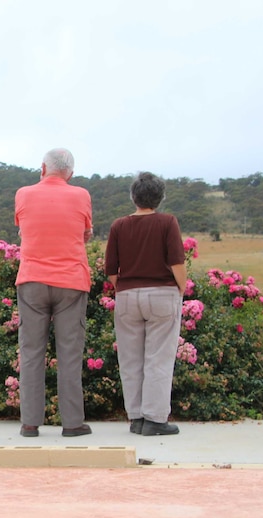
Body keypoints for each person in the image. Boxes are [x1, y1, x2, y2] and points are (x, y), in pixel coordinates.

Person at [15, 148, 94, 438]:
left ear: (42, 168)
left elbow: (24, 231)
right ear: (70, 173)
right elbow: (85, 233)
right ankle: (73, 424)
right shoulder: (82, 195)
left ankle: (30, 424)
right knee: (70, 353)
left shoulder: (23, 194)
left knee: (31, 352)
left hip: (32, 280)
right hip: (71, 281)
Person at [104, 171, 187, 436]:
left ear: (133, 197)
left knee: (130, 360)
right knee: (158, 358)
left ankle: (136, 417)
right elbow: (177, 262)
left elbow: (111, 269)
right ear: (160, 198)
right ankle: (155, 419)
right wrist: (180, 291)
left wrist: (124, 289)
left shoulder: (119, 225)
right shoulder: (167, 222)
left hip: (127, 296)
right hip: (162, 295)